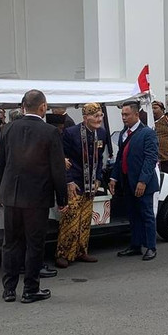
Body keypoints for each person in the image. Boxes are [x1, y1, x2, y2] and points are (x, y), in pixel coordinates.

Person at [0, 90, 68, 304]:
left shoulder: (7, 129)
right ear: (43, 107)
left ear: (23, 107)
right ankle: (30, 289)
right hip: (37, 197)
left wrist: (1, 193)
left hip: (11, 195)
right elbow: (58, 169)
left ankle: (8, 289)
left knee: (10, 243)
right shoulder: (50, 132)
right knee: (34, 244)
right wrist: (62, 198)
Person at [55, 103, 107, 268]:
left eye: (101, 116)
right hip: (75, 182)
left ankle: (81, 251)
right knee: (71, 219)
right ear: (85, 118)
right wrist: (68, 181)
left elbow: (100, 158)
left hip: (91, 184)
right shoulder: (71, 133)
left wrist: (98, 177)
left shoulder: (102, 133)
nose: (99, 119)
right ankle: (63, 254)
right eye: (96, 116)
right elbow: (63, 159)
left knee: (85, 220)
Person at [109, 101, 159, 261]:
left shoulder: (147, 133)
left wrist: (143, 181)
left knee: (146, 214)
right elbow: (120, 158)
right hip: (127, 181)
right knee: (133, 215)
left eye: (126, 114)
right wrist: (114, 177)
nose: (123, 117)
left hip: (142, 183)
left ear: (136, 114)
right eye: (122, 114)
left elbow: (151, 159)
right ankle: (135, 245)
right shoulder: (124, 133)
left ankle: (151, 246)